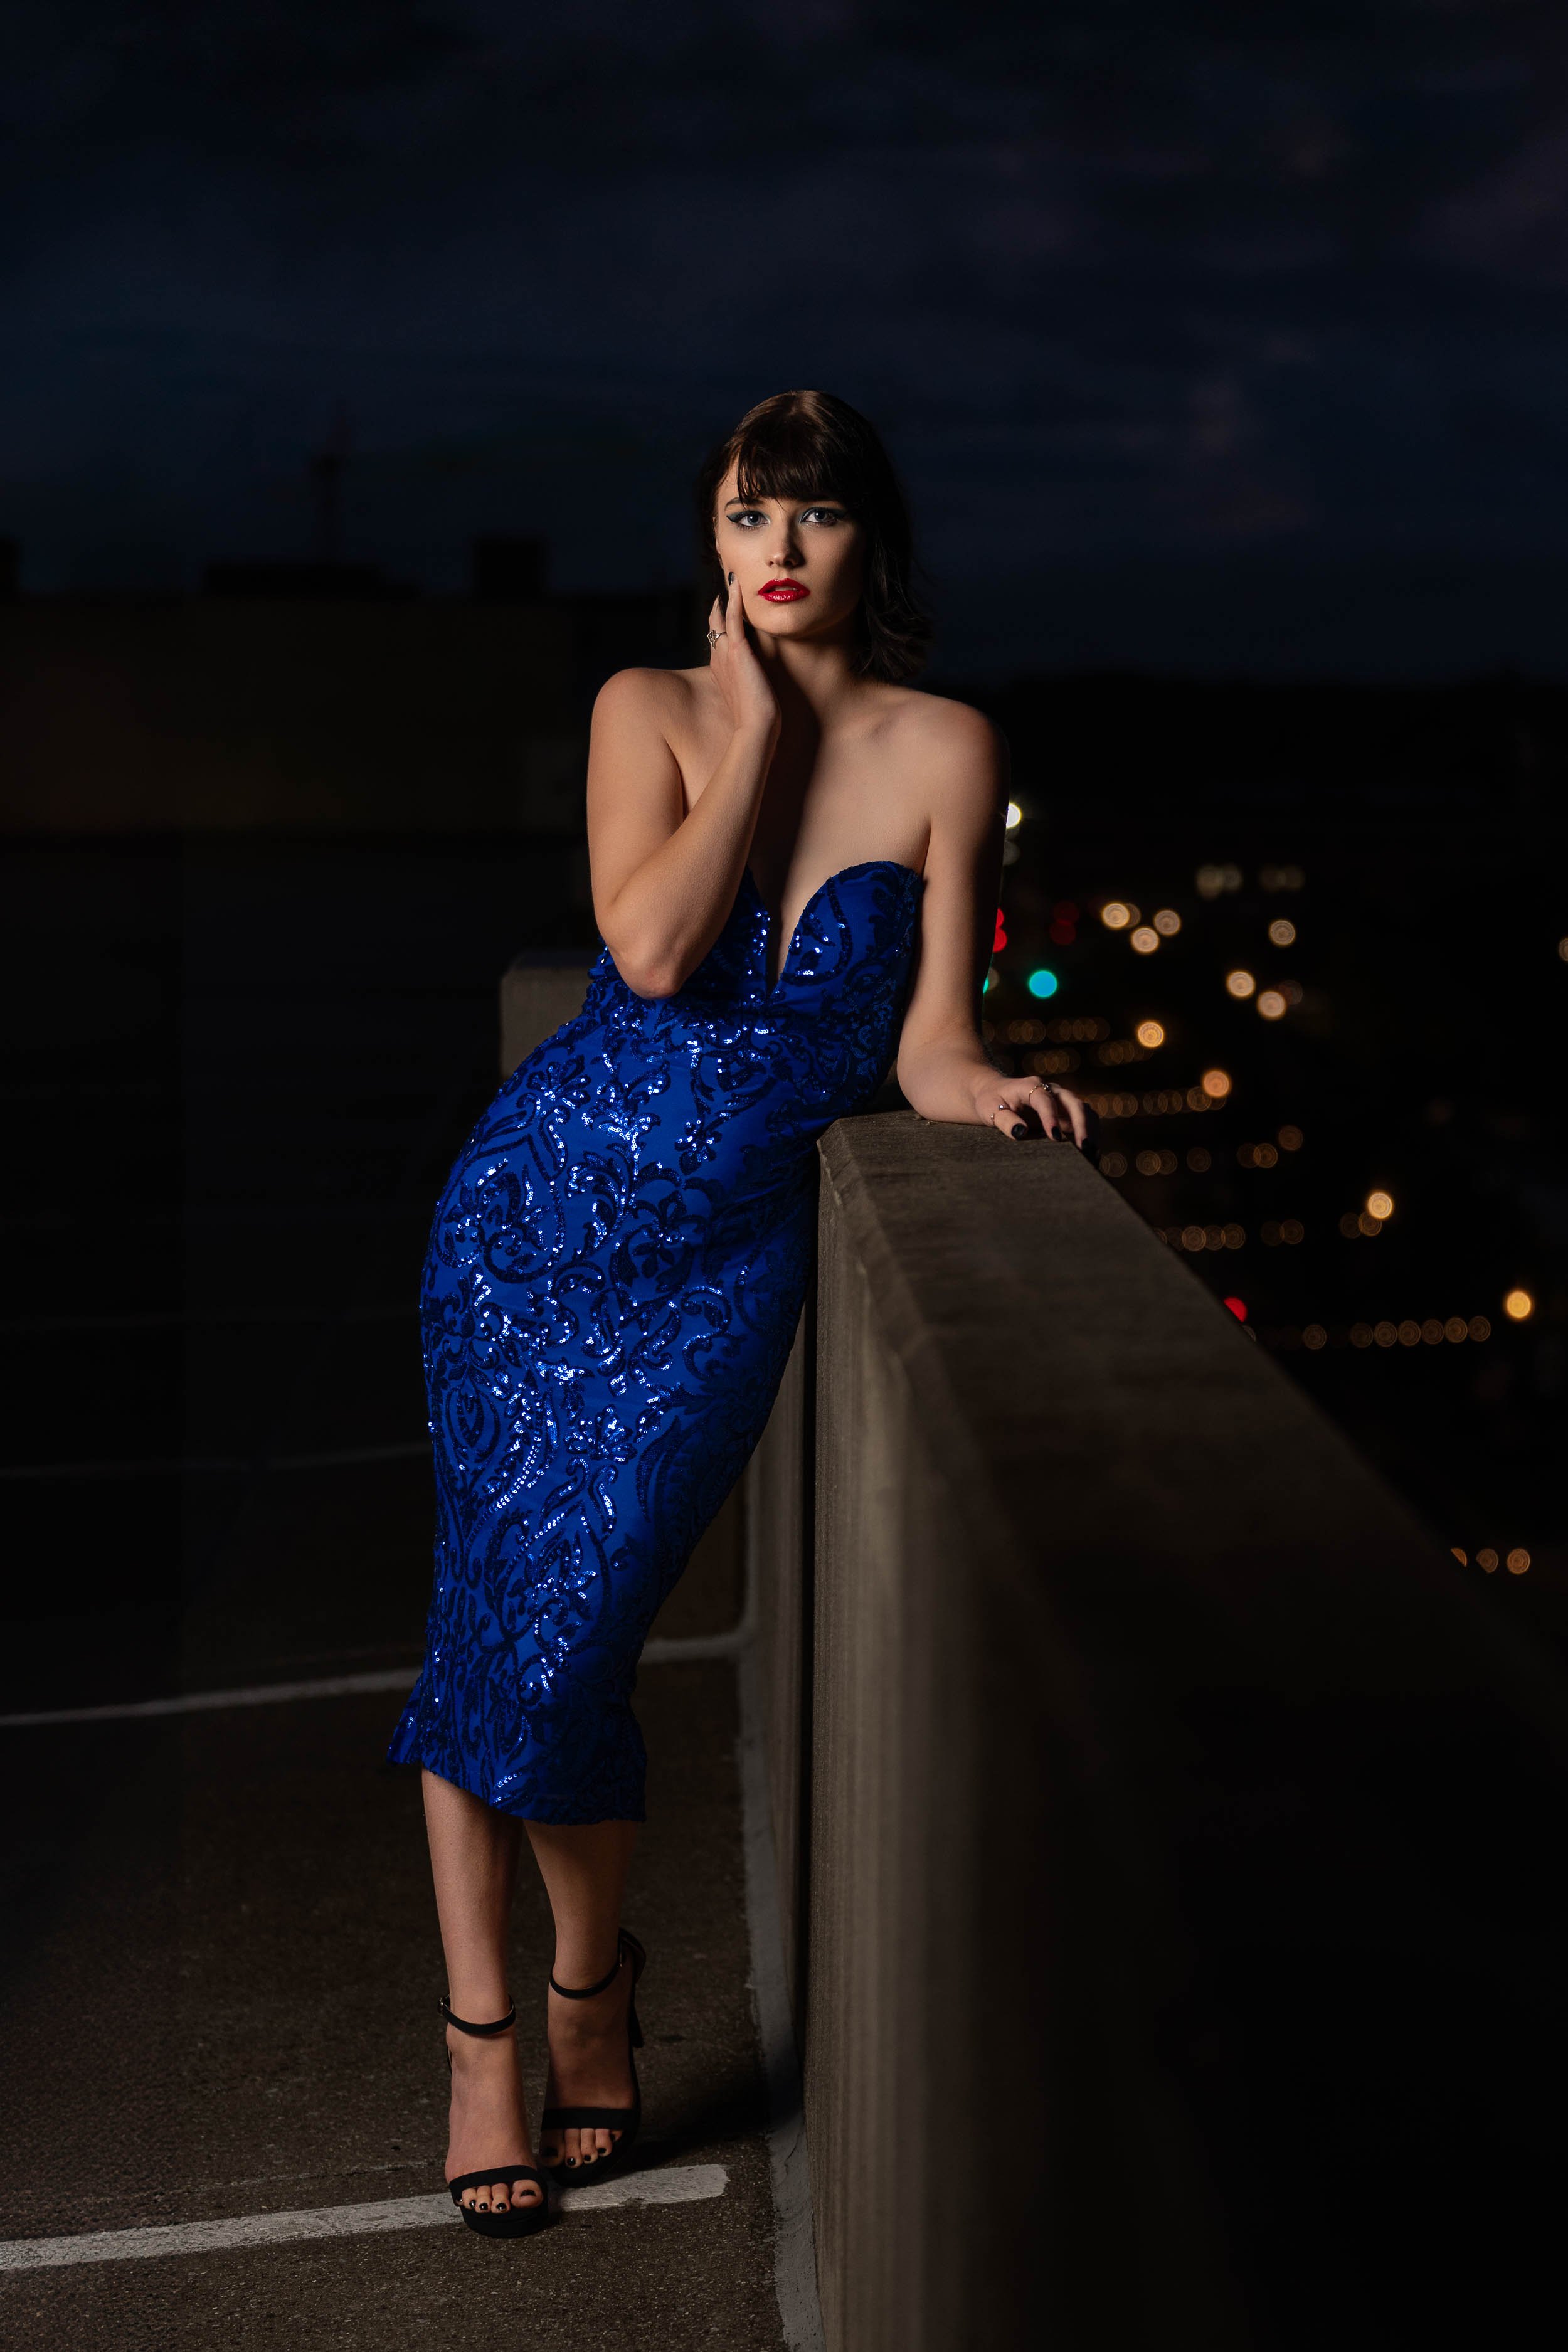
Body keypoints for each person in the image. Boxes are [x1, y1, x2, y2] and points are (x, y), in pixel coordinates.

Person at [386, 388, 1094, 2237]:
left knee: (574, 1641)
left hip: (717, 1274)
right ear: (710, 543)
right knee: (484, 1632)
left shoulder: (947, 748)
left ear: (873, 539)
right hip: (529, 1226)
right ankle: (485, 2043)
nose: (778, 549)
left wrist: (982, 1086)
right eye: (744, 517)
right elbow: (646, 952)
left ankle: (590, 1982)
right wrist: (759, 732)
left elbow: (926, 1039)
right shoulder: (650, 708)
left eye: (814, 515)